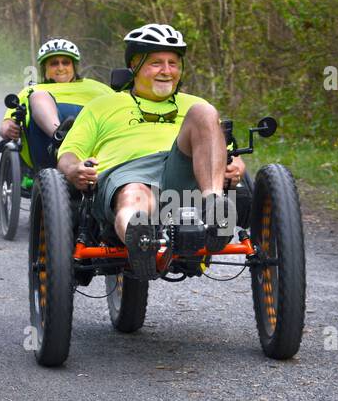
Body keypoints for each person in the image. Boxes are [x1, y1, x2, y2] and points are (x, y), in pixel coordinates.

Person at [56, 23, 244, 278]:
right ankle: (140, 240)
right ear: (134, 65)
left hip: (186, 181)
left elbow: (226, 152)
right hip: (127, 176)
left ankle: (214, 211)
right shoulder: (102, 105)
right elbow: (68, 153)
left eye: (173, 63)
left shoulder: (195, 105)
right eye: (156, 63)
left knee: (204, 112)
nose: (166, 71)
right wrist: (74, 169)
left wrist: (237, 166)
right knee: (135, 193)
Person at [0, 38, 111, 172]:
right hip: (49, 148)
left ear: (74, 66)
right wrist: (9, 128)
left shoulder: (98, 87)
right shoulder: (32, 90)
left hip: (96, 139)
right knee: (39, 95)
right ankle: (60, 136)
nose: (61, 68)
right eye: (54, 64)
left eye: (66, 63)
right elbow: (6, 125)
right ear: (44, 68)